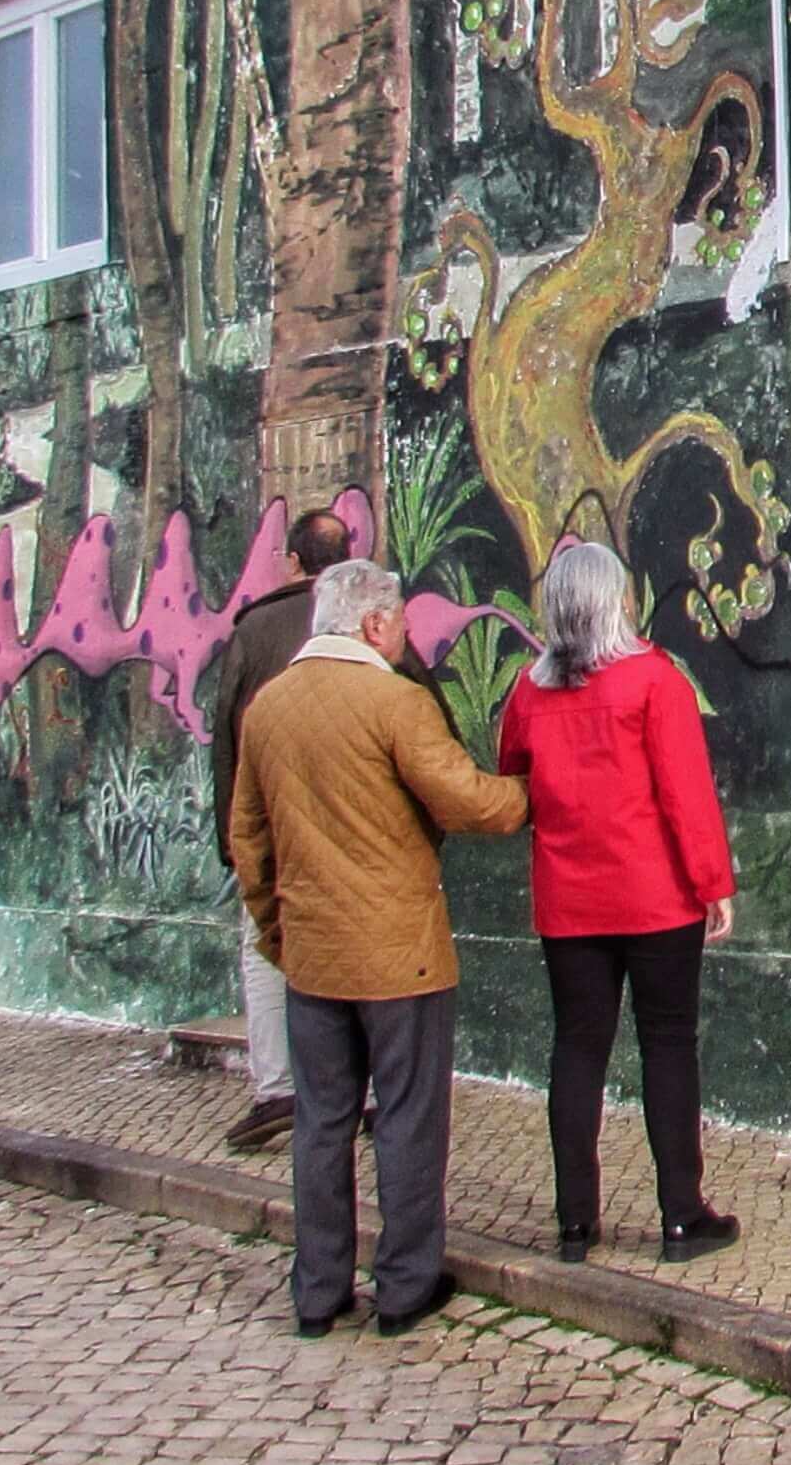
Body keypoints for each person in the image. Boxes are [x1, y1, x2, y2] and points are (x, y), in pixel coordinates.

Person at [227, 555, 530, 1337]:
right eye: (398, 621)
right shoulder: (394, 702)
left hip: (314, 955)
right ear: (371, 622)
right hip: (401, 953)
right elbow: (464, 799)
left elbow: (248, 840)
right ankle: (403, 1284)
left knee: (321, 1122)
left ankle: (317, 1289)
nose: (403, 634)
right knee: (406, 1118)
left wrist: (276, 932)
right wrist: (526, 793)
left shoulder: (269, 707)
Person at [499, 540, 739, 1262]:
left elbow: (511, 773)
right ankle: (680, 1213)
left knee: (576, 1049)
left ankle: (576, 1221)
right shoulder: (654, 680)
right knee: (667, 1046)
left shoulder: (526, 691)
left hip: (569, 900)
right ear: (618, 601)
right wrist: (713, 884)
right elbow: (684, 793)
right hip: (655, 896)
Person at [199, 507, 358, 1150]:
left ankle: (276, 1090)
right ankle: (361, 1090)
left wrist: (229, 839)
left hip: (270, 822)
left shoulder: (256, 629)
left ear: (292, 562)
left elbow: (226, 741)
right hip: (353, 821)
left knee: (265, 952)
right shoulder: (369, 620)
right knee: (354, 950)